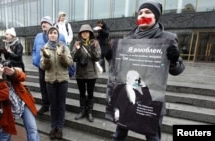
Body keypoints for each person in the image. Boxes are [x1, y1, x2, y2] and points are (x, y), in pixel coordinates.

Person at [112, 1, 185, 141]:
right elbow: (119, 68)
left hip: (151, 98)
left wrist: (174, 60)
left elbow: (177, 70)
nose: (143, 15)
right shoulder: (128, 39)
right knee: (119, 133)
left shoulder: (167, 38)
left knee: (152, 136)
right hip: (129, 95)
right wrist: (112, 56)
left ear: (156, 16)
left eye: (147, 12)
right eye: (140, 13)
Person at [0, 54, 40, 141]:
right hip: (7, 109)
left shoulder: (3, 67)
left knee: (33, 129)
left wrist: (14, 73)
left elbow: (23, 77)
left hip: (22, 102)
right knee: (6, 134)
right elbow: (3, 95)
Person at [40, 26, 73, 140]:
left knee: (61, 105)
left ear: (58, 35)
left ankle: (59, 127)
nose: (53, 35)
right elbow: (43, 67)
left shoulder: (64, 47)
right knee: (53, 105)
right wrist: (46, 58)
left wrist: (61, 55)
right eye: (51, 33)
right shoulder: (44, 48)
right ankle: (53, 126)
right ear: (48, 35)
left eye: (55, 33)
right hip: (50, 81)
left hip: (62, 80)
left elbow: (69, 63)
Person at [32, 16, 66, 114]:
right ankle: (45, 105)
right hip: (41, 66)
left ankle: (54, 106)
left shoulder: (60, 35)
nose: (43, 24)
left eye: (46, 22)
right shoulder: (38, 36)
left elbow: (64, 50)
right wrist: (35, 60)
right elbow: (34, 50)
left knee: (53, 88)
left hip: (54, 68)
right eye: (42, 22)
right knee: (43, 87)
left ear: (51, 25)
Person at [71, 24, 101, 122]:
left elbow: (97, 57)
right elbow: (73, 58)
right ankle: (82, 110)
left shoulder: (95, 43)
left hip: (91, 74)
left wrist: (92, 48)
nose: (85, 34)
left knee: (91, 93)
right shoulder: (77, 43)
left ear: (90, 33)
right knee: (82, 93)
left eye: (87, 32)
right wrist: (78, 49)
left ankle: (89, 112)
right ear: (80, 34)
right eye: (83, 32)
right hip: (80, 74)